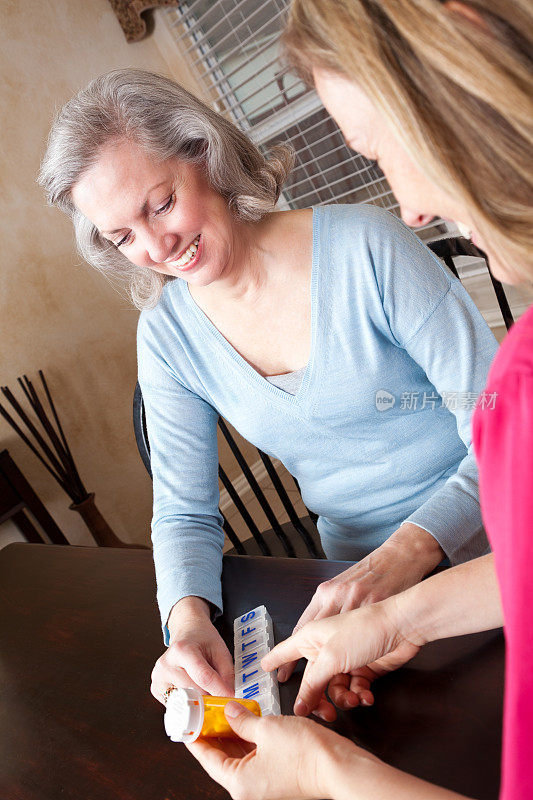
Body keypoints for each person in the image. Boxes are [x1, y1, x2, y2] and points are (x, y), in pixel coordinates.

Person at [38, 68, 497, 711]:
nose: (157, 245)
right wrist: (189, 622)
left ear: (205, 154)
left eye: (162, 204)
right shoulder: (167, 338)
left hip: (493, 549)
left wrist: (412, 551)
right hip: (351, 582)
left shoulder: (367, 249)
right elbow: (184, 513)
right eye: (123, 236)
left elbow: (504, 432)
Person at [184, 1, 533, 799]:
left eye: (381, 148)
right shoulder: (167, 332)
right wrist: (392, 620)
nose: (409, 207)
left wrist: (328, 775)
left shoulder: (511, 381)